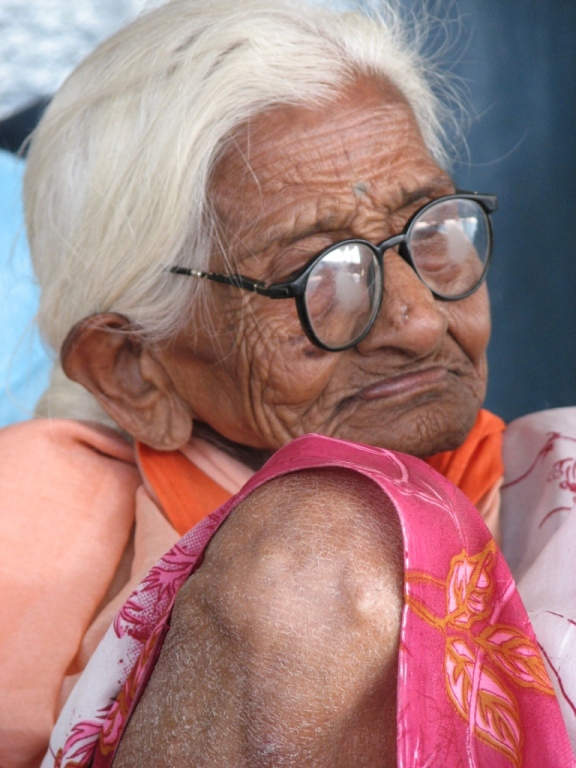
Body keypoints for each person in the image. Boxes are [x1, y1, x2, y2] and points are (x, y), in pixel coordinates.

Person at [0, 1, 574, 766]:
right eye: (320, 277)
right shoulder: (36, 525)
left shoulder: (554, 489)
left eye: (431, 233)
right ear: (135, 369)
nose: (417, 323)